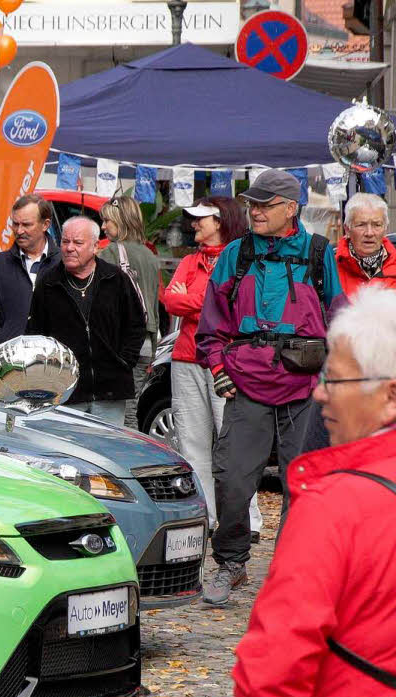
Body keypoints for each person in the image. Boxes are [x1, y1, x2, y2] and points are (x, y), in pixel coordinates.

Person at [232, 284, 396, 697]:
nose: (320, 393)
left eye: (336, 380)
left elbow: (271, 676)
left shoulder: (336, 506)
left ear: (389, 396)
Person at [196, 169, 342, 605]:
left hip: (305, 387)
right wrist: (220, 370)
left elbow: (337, 317)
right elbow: (211, 324)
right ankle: (232, 564)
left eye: (264, 205)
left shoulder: (318, 253)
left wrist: (333, 379)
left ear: (290, 209)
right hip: (246, 384)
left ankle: (291, 570)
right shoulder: (236, 255)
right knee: (233, 480)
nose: (255, 212)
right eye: (252, 205)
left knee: (304, 482)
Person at [164, 197, 262, 539]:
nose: (194, 225)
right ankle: (205, 517)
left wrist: (192, 299)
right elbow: (169, 299)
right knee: (191, 442)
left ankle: (247, 521)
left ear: (220, 221)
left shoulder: (237, 257)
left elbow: (224, 303)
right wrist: (204, 301)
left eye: (200, 219)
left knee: (232, 440)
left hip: (224, 359)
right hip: (186, 358)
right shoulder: (192, 260)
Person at [26, 216, 146, 426]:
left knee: (107, 450)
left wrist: (124, 361)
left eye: (78, 243)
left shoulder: (115, 279)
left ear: (95, 247)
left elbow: (136, 324)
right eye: (65, 242)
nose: (69, 248)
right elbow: (35, 334)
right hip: (66, 392)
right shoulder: (49, 282)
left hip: (110, 391)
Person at [303, 192, 396, 453]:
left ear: (385, 228)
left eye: (376, 225)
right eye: (361, 224)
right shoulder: (327, 266)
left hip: (388, 380)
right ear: (346, 229)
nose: (369, 232)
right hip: (337, 378)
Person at [97, 196, 161, 429]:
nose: (103, 227)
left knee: (116, 411)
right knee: (131, 405)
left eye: (107, 221)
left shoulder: (111, 253)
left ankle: (126, 458)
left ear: (121, 221)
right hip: (145, 343)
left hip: (119, 345)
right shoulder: (150, 256)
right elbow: (153, 306)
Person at [0, 193, 60, 347]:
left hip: (57, 362)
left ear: (45, 225)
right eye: (15, 224)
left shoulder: (64, 263)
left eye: (26, 225)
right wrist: (1, 342)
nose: (19, 231)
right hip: (10, 362)